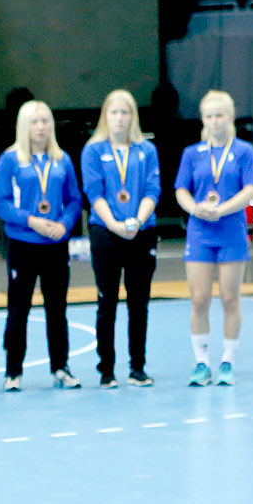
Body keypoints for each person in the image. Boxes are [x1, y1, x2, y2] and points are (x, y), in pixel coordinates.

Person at [0, 99, 83, 391]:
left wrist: (64, 225)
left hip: (55, 243)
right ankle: (13, 371)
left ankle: (61, 367)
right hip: (23, 243)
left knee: (58, 308)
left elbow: (74, 200)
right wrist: (31, 221)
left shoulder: (62, 159)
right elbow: (0, 203)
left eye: (45, 121)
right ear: (24, 125)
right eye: (35, 121)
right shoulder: (10, 159)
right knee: (19, 308)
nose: (41, 127)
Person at [173, 89, 253, 385]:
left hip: (231, 232)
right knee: (199, 300)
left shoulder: (244, 151)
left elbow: (251, 190)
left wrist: (221, 210)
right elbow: (181, 190)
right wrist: (194, 209)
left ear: (230, 116)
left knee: (229, 298)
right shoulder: (191, 153)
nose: (215, 121)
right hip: (200, 233)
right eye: (209, 116)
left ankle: (227, 360)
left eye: (220, 115)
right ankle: (201, 362)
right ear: (203, 119)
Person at [80, 89, 161, 387]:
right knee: (107, 302)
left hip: (141, 230)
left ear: (132, 117)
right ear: (105, 116)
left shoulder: (146, 150)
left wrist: (137, 221)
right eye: (114, 112)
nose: (119, 118)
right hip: (106, 232)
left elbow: (153, 189)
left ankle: (137, 368)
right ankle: (106, 371)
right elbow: (93, 192)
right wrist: (114, 224)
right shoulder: (92, 150)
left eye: (125, 112)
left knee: (139, 303)